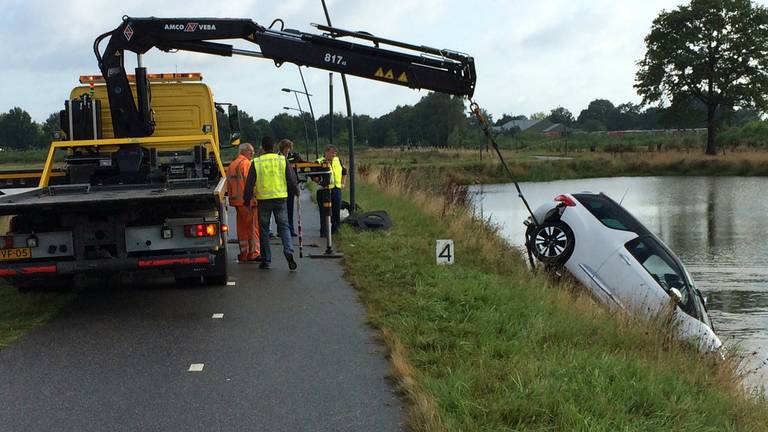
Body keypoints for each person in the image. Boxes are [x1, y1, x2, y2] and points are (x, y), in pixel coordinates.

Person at [244, 136, 299, 270]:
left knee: (263, 229)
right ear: (274, 146)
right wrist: (296, 191)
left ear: (262, 147)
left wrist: (246, 199)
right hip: (280, 198)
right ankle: (288, 251)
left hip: (264, 200)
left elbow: (249, 183)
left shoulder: (256, 162)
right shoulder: (282, 160)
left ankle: (266, 260)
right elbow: (291, 178)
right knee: (284, 226)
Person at [226, 142, 259, 262]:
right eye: (251, 151)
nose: (253, 153)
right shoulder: (246, 164)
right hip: (247, 201)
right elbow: (251, 183)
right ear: (244, 151)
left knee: (242, 228)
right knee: (253, 227)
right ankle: (254, 253)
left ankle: (244, 253)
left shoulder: (232, 164)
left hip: (236, 201)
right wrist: (255, 198)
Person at [315, 145, 346, 237]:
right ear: (326, 152)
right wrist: (320, 182)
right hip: (323, 190)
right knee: (324, 212)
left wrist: (342, 183)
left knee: (336, 210)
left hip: (336, 188)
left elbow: (344, 171)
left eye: (335, 153)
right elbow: (314, 176)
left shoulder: (337, 160)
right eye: (332, 152)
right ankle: (324, 232)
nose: (334, 154)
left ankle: (335, 231)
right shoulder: (319, 161)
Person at [278, 139, 302, 237]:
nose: (288, 150)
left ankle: (291, 229)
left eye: (289, 148)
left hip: (291, 186)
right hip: (280, 186)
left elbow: (302, 165)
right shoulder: (277, 157)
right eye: (286, 148)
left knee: (290, 208)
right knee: (281, 210)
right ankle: (281, 230)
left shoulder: (293, 156)